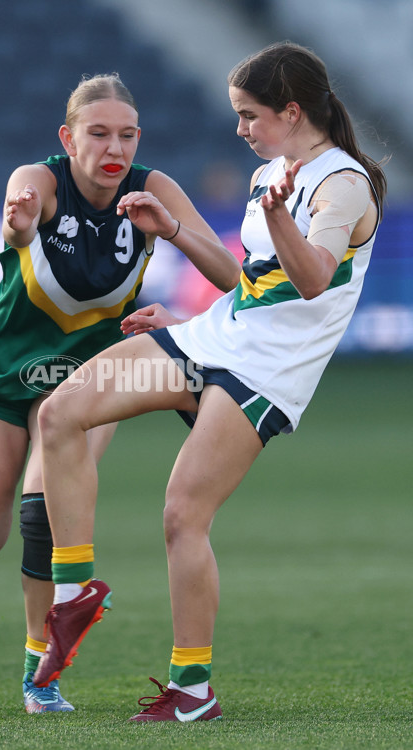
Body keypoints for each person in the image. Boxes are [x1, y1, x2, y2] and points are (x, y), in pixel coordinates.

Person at [32, 42, 387, 721]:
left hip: (267, 370)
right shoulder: (273, 176)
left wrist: (281, 214)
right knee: (61, 412)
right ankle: (74, 593)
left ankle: (193, 691)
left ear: (291, 111)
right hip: (218, 334)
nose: (241, 130)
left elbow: (312, 281)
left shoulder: (341, 184)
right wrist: (176, 250)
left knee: (182, 516)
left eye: (250, 116)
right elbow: (252, 284)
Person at [0, 72, 240, 714]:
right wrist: (17, 227)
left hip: (85, 382)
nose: (113, 147)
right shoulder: (39, 181)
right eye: (97, 134)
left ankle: (38, 675)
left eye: (126, 134)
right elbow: (19, 224)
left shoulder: (152, 189)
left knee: (43, 512)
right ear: (68, 139)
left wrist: (175, 232)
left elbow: (234, 276)